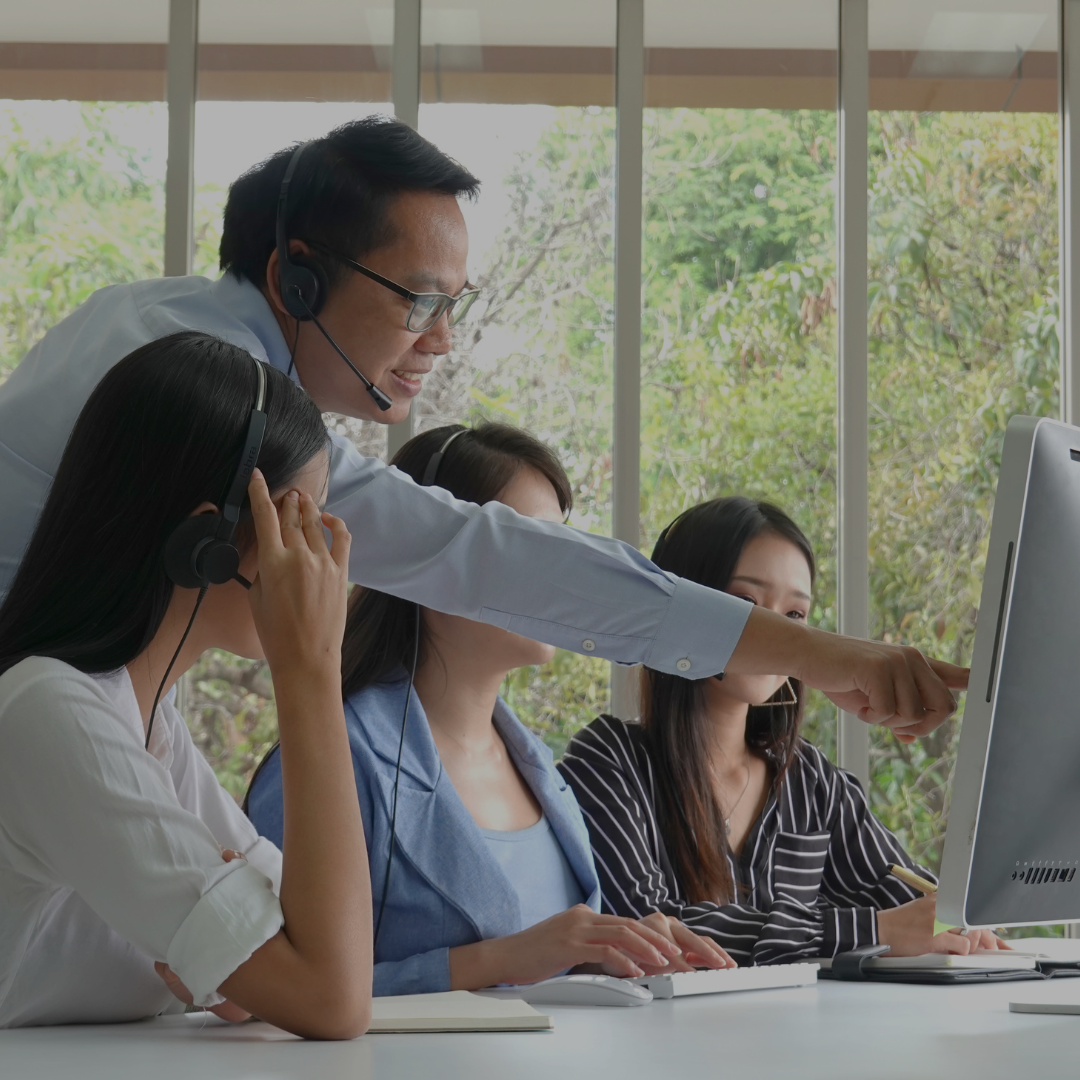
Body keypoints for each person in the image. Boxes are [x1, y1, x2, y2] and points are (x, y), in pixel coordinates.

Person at [0, 116, 965, 743]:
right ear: (297, 274)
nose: (442, 340)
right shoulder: (216, 399)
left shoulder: (146, 314)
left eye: (456, 303)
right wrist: (823, 654)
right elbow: (481, 555)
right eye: (420, 300)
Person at [246, 423, 735, 995]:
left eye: (565, 550)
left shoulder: (539, 770)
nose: (562, 579)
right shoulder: (331, 759)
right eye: (529, 550)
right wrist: (495, 960)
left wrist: (614, 951)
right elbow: (269, 996)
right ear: (433, 561)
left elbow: (545, 973)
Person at [0, 331, 371, 1038]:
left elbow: (322, 947)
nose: (321, 561)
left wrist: (261, 970)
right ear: (208, 546)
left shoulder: (152, 725)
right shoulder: (49, 711)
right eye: (298, 523)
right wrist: (311, 669)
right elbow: (334, 997)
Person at [559, 498, 1006, 966]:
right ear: (680, 613)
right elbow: (645, 927)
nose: (775, 635)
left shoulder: (809, 778)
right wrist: (870, 929)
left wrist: (957, 922)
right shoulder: (609, 759)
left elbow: (907, 900)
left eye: (794, 617)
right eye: (745, 605)